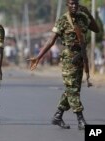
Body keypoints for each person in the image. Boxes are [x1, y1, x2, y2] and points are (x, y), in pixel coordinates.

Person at [28, 0, 99, 130]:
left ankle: (58, 116)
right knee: (72, 89)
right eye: (71, 3)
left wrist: (88, 12)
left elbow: (96, 29)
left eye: (76, 4)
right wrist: (39, 57)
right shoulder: (62, 20)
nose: (74, 6)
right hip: (69, 59)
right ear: (67, 4)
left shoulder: (82, 18)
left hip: (81, 58)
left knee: (73, 89)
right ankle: (80, 119)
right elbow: (51, 40)